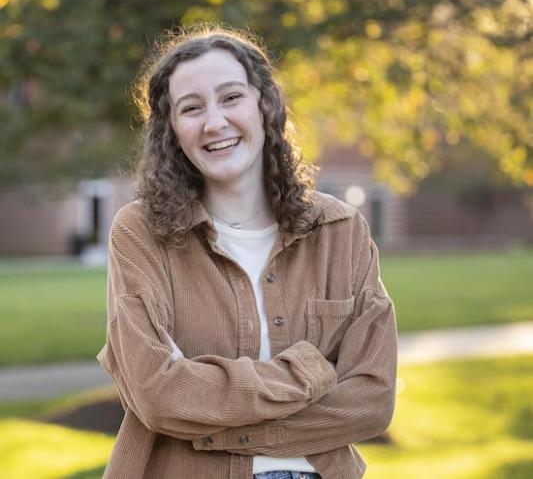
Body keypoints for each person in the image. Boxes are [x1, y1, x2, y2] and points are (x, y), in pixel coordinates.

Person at [96, 24, 398, 479]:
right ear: (172, 130)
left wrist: (207, 422)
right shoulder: (140, 233)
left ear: (265, 105)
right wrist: (312, 374)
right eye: (191, 108)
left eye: (231, 97)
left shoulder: (340, 230)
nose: (214, 122)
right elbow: (156, 393)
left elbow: (372, 399)